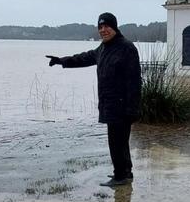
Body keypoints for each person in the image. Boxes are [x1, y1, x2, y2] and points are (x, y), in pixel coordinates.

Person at [46, 13, 142, 187]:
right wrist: (61, 61)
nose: (103, 30)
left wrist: (132, 109)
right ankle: (125, 173)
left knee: (116, 141)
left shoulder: (126, 48)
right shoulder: (103, 48)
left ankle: (120, 176)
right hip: (108, 102)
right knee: (119, 141)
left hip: (122, 105)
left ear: (115, 27)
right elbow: (84, 58)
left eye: (107, 26)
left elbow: (134, 81)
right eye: (100, 27)